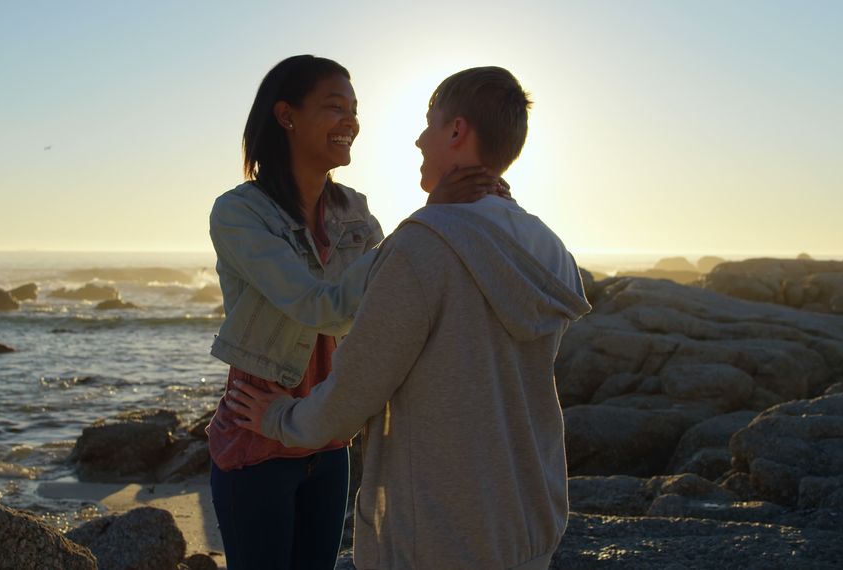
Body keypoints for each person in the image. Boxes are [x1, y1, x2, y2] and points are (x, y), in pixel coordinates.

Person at [227, 66, 592, 569]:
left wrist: (277, 417)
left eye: (429, 124)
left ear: (457, 132)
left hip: (440, 535)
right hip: (526, 525)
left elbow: (355, 387)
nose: (420, 139)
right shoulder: (547, 248)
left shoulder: (422, 248)